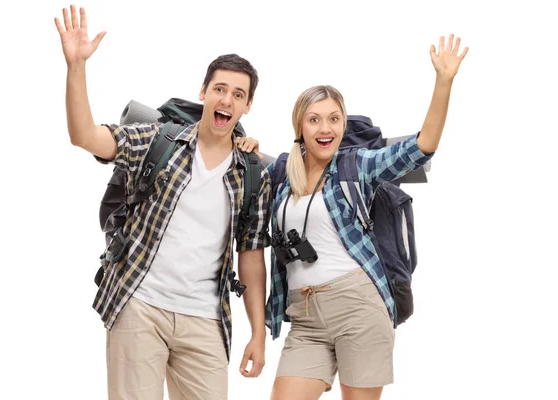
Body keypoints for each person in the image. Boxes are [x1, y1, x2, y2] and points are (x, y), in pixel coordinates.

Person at [54, 5, 271, 400]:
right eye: (220, 89)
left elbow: (252, 257)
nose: (227, 100)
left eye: (238, 94)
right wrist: (76, 67)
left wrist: (258, 332)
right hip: (140, 305)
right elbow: (85, 136)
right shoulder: (159, 141)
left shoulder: (252, 173)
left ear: (247, 106)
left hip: (206, 320)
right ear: (203, 92)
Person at [266, 35, 468, 400]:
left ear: (343, 124)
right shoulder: (283, 174)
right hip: (305, 315)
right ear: (299, 126)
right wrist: (244, 144)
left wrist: (443, 82)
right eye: (314, 120)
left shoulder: (355, 166)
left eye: (333, 119)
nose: (325, 128)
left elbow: (421, 147)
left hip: (357, 306)